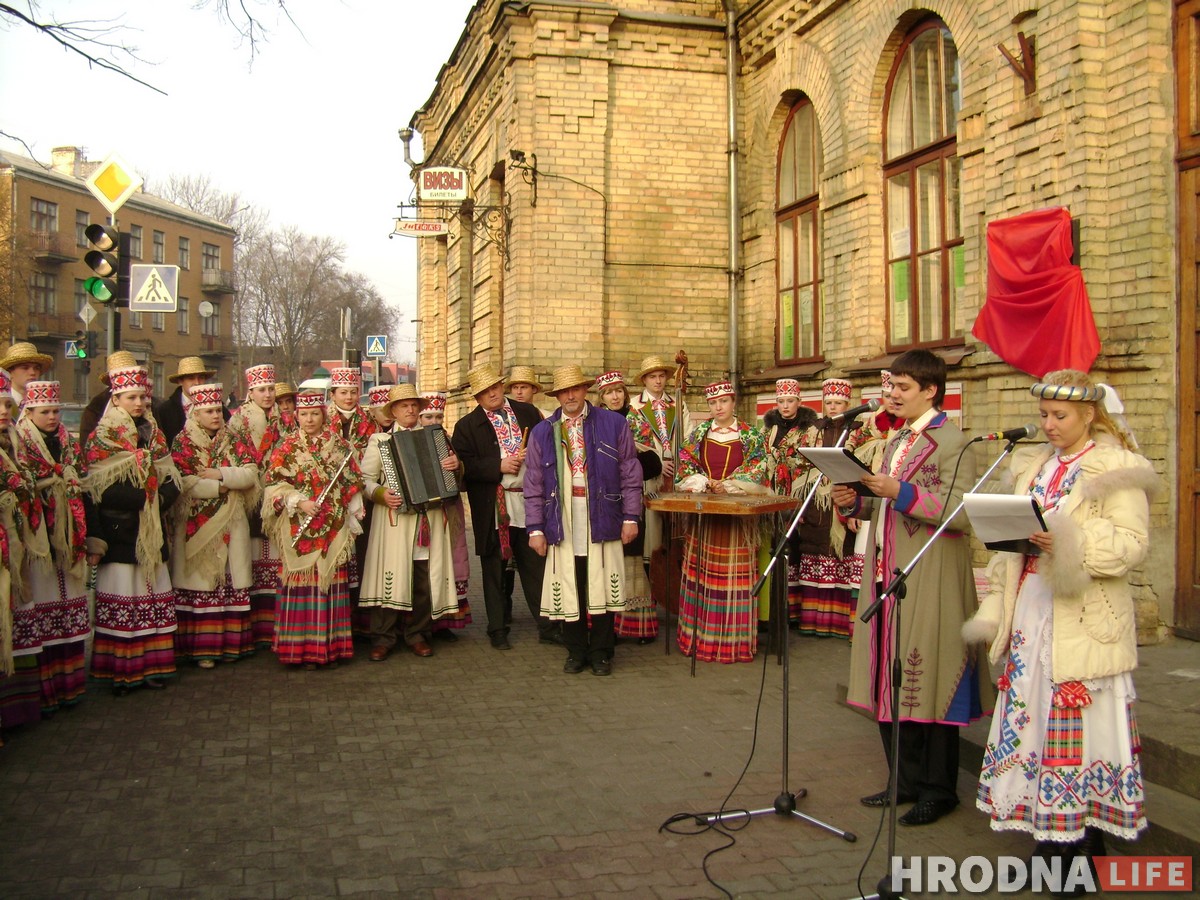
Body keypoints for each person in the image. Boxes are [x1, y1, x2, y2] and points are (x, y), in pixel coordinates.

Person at [964, 370, 1155, 869]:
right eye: (1044, 414)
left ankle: (1085, 839)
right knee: (1033, 720)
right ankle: (1048, 834)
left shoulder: (1117, 468)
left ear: (1089, 415)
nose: (1047, 425)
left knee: (1078, 727)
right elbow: (1016, 543)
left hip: (1083, 619)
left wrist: (1066, 541)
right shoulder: (1036, 467)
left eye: (1059, 416)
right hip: (1032, 610)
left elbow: (1132, 545)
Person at [832, 349, 993, 827]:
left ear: (930, 390)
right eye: (891, 385)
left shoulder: (953, 441)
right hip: (887, 570)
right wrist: (855, 503)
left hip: (932, 571)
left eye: (902, 387)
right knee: (888, 669)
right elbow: (886, 507)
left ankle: (938, 789)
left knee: (931, 670)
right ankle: (902, 778)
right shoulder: (896, 437)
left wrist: (895, 492)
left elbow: (962, 512)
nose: (892, 394)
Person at [525, 365, 643, 676]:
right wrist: (535, 528)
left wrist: (631, 517)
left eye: (575, 389)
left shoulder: (613, 423)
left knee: (601, 585)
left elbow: (630, 472)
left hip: (604, 514)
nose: (570, 396)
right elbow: (533, 483)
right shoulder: (542, 432)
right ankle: (576, 651)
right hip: (561, 517)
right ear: (558, 396)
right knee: (570, 583)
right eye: (564, 392)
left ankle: (602, 652)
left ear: (585, 390)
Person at [82, 359, 182, 695]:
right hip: (122, 532)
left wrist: (161, 496)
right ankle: (122, 671)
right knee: (126, 600)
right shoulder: (103, 437)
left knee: (152, 599)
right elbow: (98, 487)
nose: (138, 403)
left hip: (153, 532)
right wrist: (144, 497)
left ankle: (153, 667)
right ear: (115, 399)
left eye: (142, 397)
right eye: (130, 397)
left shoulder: (155, 433)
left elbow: (172, 476)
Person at [451, 364, 555, 650]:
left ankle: (547, 626)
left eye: (495, 387)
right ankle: (497, 628)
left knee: (536, 565)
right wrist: (497, 465)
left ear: (501, 386)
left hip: (529, 501)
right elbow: (463, 468)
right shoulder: (467, 426)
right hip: (493, 505)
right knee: (495, 570)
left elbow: (549, 450)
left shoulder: (527, 413)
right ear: (477, 397)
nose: (492, 394)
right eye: (485, 392)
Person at [262, 392, 364, 670]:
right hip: (300, 526)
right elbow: (272, 484)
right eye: (304, 414)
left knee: (329, 583)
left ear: (324, 414)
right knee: (302, 585)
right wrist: (298, 501)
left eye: (315, 414)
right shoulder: (287, 446)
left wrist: (354, 509)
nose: (309, 419)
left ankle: (329, 648)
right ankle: (298, 650)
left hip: (333, 523)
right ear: (296, 415)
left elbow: (353, 479)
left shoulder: (340, 445)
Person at [359, 385, 460, 660]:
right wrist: (380, 494)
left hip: (428, 519)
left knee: (423, 577)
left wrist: (455, 466)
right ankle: (384, 637)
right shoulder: (379, 441)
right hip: (393, 520)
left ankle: (418, 634)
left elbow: (453, 481)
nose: (411, 410)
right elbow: (363, 480)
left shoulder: (436, 439)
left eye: (414, 405)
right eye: (404, 406)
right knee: (389, 576)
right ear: (393, 411)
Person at [675, 380, 771, 663]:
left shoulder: (751, 435)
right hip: (705, 512)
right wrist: (704, 482)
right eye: (713, 403)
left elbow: (759, 467)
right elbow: (685, 463)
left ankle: (732, 644)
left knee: (733, 580)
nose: (718, 408)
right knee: (703, 577)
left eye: (724, 402)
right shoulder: (699, 434)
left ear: (733, 402)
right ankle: (700, 641)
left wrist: (729, 485)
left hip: (737, 515)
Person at [170, 382, 259, 669]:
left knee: (229, 581)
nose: (215, 416)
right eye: (208, 411)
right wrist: (216, 488)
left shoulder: (234, 439)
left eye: (218, 410)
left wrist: (219, 473)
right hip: (197, 522)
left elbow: (250, 474)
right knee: (202, 582)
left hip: (232, 522)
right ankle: (202, 650)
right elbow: (179, 481)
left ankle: (233, 646)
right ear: (196, 413)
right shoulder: (182, 442)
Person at [15, 381, 90, 713]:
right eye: (44, 411)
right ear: (29, 412)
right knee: (45, 613)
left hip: (70, 535)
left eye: (56, 411)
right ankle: (46, 691)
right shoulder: (21, 445)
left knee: (69, 609)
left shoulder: (67, 443)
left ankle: (70, 687)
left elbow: (82, 484)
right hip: (39, 540)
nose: (52, 417)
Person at [596, 370, 663, 643]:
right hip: (603, 502)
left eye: (619, 391)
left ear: (625, 394)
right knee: (606, 561)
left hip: (630, 500)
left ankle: (635, 626)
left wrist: (631, 458)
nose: (615, 396)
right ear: (601, 397)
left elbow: (654, 464)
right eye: (609, 392)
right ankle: (605, 624)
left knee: (631, 560)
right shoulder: (594, 422)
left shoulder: (638, 421)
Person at [626, 354, 691, 642]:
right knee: (651, 542)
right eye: (652, 376)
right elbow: (633, 441)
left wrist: (682, 460)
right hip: (652, 477)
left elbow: (688, 436)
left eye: (662, 375)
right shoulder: (634, 407)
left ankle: (679, 600)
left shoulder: (678, 402)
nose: (658, 380)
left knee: (676, 538)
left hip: (676, 474)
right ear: (644, 380)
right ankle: (649, 604)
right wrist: (657, 460)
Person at [792, 377, 861, 638]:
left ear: (848, 403)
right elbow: (801, 463)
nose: (833, 407)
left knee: (840, 552)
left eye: (839, 403)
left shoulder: (857, 428)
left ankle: (840, 621)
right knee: (815, 552)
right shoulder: (815, 429)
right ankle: (813, 619)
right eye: (829, 402)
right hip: (817, 501)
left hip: (842, 497)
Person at [0, 370, 49, 727]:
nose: (3, 411)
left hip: (16, 546)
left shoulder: (14, 443)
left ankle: (16, 712)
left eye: (5, 403)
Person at [227, 364, 284, 650]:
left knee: (274, 561)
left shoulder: (282, 420)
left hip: (275, 494)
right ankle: (253, 628)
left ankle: (273, 626)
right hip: (249, 496)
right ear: (251, 392)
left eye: (271, 389)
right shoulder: (238, 422)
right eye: (262, 389)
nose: (268, 394)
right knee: (250, 559)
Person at [762, 377, 818, 627]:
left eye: (790, 401)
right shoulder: (770, 428)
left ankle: (793, 609)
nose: (785, 406)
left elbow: (810, 462)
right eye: (781, 401)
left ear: (799, 401)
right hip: (772, 491)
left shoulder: (810, 429)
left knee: (794, 545)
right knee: (774, 542)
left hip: (797, 491)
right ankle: (774, 606)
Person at [420, 390, 473, 640]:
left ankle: (446, 621)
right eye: (428, 416)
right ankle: (424, 621)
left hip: (449, 513)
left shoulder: (448, 441)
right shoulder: (412, 440)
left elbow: (463, 480)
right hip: (424, 515)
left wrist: (458, 466)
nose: (433, 422)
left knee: (453, 563)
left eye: (438, 416)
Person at [154, 356, 218, 448]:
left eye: (201, 377)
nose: (197, 382)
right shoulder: (164, 411)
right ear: (180, 381)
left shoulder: (218, 409)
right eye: (191, 378)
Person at [0, 342, 53, 415]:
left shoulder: (44, 403)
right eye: (25, 368)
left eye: (36, 368)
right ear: (9, 372)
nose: (32, 372)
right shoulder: (3, 402)